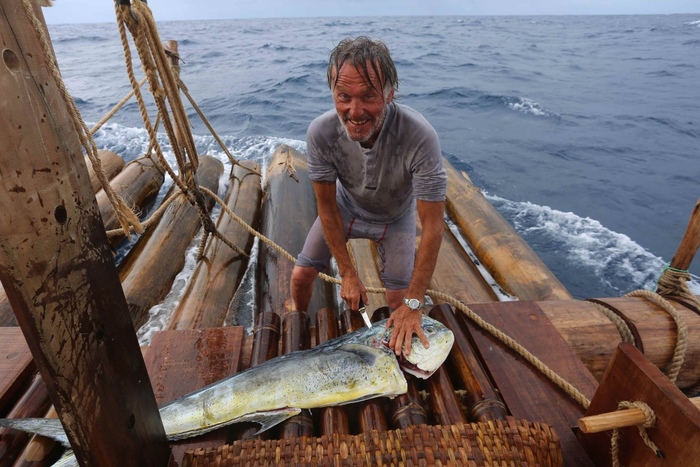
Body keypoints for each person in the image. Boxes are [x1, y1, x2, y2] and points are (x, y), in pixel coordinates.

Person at [290, 36, 447, 357]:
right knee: (301, 276)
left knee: (397, 299)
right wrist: (347, 274)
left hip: (395, 219)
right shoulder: (320, 133)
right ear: (333, 92)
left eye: (369, 97)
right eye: (343, 96)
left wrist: (414, 304)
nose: (355, 111)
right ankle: (299, 327)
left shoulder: (419, 135)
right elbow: (327, 207)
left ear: (390, 93)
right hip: (346, 210)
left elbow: (433, 226)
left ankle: (397, 351)